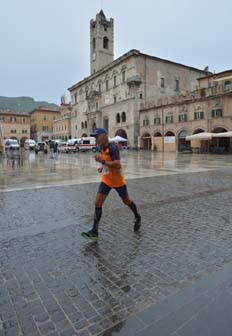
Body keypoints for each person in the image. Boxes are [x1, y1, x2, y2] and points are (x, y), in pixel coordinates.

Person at [81, 128, 141, 241]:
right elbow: (106, 159)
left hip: (118, 180)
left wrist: (102, 162)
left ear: (104, 136)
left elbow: (117, 164)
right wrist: (102, 167)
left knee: (126, 201)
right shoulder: (100, 147)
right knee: (98, 202)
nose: (95, 139)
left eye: (97, 136)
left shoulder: (113, 147)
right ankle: (94, 231)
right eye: (95, 136)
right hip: (107, 179)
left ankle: (137, 216)